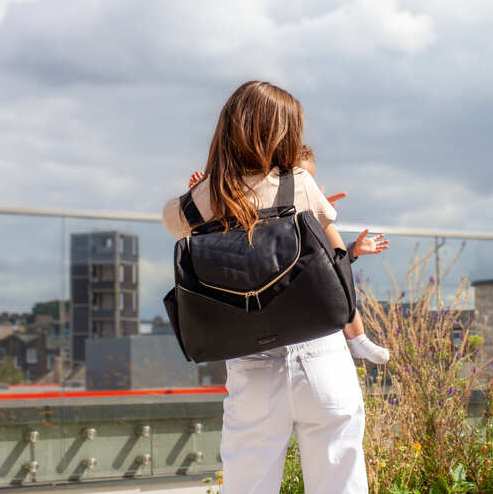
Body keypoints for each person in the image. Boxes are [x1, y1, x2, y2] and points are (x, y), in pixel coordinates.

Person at [162, 81, 368, 493]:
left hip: (251, 365)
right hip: (320, 357)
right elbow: (336, 254)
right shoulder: (300, 184)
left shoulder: (196, 202)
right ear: (281, 133)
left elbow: (174, 220)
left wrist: (203, 188)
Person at [187, 144, 391, 365]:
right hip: (275, 281)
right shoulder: (262, 204)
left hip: (304, 282)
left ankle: (357, 337)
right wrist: (201, 192)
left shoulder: (308, 208)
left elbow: (330, 261)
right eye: (300, 179)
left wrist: (350, 250)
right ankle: (357, 338)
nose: (304, 185)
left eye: (309, 181)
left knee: (328, 239)